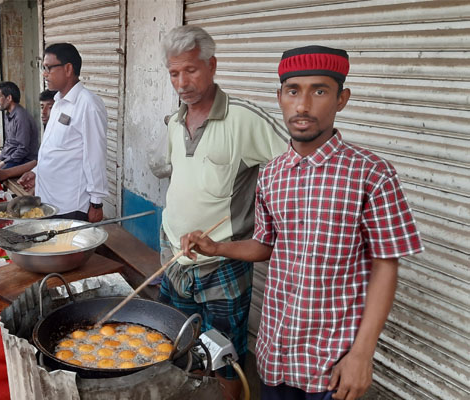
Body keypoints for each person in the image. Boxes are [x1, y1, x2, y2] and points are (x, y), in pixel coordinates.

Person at [181, 45, 423, 400]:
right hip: (277, 352)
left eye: (320, 91)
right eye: (294, 91)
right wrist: (217, 248)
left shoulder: (372, 174)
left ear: (342, 99)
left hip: (333, 362)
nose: (304, 105)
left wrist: (362, 354)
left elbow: (386, 264)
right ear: (280, 97)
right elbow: (265, 245)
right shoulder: (273, 174)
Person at [156, 25, 288, 400]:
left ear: (212, 66)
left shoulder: (244, 119)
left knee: (223, 354)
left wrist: (270, 220)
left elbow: (294, 167)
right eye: (174, 73)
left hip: (223, 262)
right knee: (175, 343)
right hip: (174, 256)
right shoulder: (176, 121)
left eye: (191, 70)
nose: (182, 82)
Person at [18, 43, 108, 222]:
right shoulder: (58, 102)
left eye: (49, 68)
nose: (44, 74)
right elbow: (58, 148)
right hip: (49, 200)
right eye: (44, 68)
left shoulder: (88, 105)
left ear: (68, 69)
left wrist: (96, 203)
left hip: (70, 206)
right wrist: (37, 171)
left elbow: (95, 157)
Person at [0, 81, 39, 169]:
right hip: (11, 159)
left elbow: (23, 149)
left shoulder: (21, 117)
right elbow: (9, 144)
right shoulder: (8, 115)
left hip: (24, 161)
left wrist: (2, 163)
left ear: (9, 98)